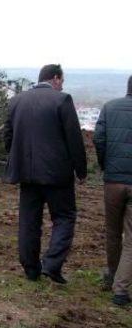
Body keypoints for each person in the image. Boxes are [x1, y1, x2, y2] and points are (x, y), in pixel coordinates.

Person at [4, 64, 87, 284]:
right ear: (56, 79)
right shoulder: (62, 100)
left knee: (29, 221)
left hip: (26, 173)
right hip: (57, 174)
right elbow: (74, 140)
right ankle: (51, 264)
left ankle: (31, 269)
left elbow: (8, 137)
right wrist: (81, 170)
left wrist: (18, 160)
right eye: (62, 81)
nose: (62, 86)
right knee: (64, 217)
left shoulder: (16, 101)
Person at [93, 75, 132, 306]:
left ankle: (112, 277)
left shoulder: (109, 107)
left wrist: (105, 165)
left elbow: (99, 139)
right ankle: (121, 289)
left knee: (112, 232)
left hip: (113, 181)